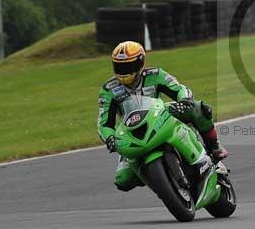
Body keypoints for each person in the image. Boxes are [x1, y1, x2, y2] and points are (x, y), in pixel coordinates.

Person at [97, 40, 228, 192]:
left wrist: (184, 101)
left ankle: (213, 146)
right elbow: (104, 123)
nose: (123, 70)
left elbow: (179, 88)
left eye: (128, 66)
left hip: (159, 114)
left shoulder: (156, 75)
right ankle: (160, 180)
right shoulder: (108, 90)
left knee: (199, 108)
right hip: (130, 132)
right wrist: (110, 138)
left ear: (140, 63)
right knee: (123, 180)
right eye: (119, 66)